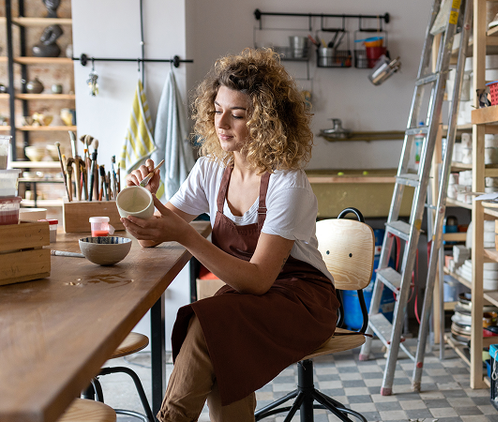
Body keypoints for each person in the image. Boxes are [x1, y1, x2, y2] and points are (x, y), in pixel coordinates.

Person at [121, 48, 339, 422]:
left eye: (237, 114)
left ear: (265, 122)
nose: (221, 122)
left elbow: (258, 279)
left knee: (208, 325)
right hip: (249, 294)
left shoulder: (288, 185)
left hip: (302, 300)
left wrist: (188, 237)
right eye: (218, 109)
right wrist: (144, 201)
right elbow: (150, 237)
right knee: (217, 338)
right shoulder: (210, 170)